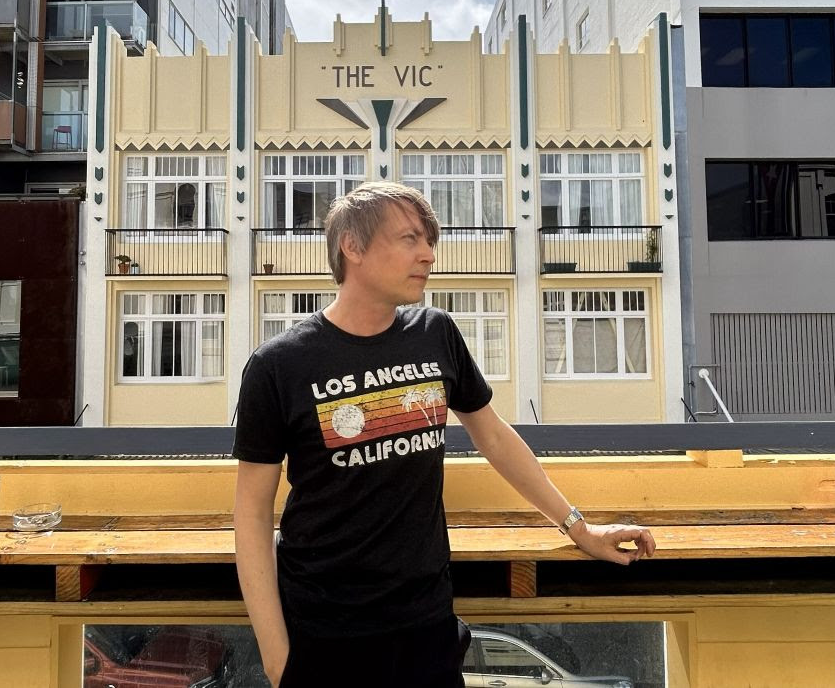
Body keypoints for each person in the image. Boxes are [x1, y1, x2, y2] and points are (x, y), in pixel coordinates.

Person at [233, 182, 656, 688]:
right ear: (352, 246)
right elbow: (251, 514)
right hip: (323, 631)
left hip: (425, 626)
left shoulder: (435, 333)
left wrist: (580, 529)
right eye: (410, 239)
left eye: (430, 241)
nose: (428, 255)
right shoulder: (280, 365)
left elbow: (494, 438)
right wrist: (277, 655)